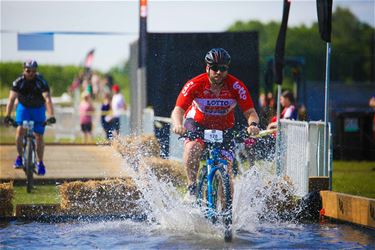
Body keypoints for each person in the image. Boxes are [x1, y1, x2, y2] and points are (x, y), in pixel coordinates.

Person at [171, 48, 260, 196]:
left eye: (223, 68)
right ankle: (192, 188)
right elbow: (178, 110)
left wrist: (253, 125)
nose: (219, 72)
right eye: (214, 68)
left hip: (224, 128)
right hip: (197, 124)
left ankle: (226, 211)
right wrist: (178, 125)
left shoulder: (236, 86)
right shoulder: (195, 84)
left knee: (227, 169)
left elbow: (250, 112)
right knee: (192, 148)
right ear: (207, 68)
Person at [4, 59, 56, 175]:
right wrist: (7, 115)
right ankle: (19, 157)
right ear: (24, 70)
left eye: (33, 71)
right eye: (28, 71)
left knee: (39, 136)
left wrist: (51, 115)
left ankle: (40, 162)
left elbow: (47, 99)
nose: (30, 73)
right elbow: (11, 99)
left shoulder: (40, 81)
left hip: (38, 109)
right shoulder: (19, 82)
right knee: (19, 131)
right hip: (24, 108)